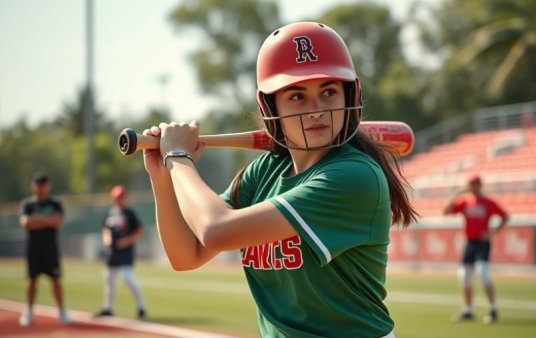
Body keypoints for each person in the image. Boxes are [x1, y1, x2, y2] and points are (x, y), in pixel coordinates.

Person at [140, 21, 417, 337]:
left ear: (349, 95)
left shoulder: (354, 176)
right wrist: (163, 177)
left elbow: (215, 230)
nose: (315, 110)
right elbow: (186, 255)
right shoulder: (266, 171)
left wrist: (179, 159)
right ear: (269, 105)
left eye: (328, 91)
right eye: (297, 96)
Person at [443, 174, 509, 324]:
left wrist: (492, 232)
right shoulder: (466, 202)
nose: (471, 188)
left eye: (473, 185)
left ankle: (493, 309)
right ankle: (468, 310)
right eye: (470, 185)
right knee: (464, 276)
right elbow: (446, 211)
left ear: (479, 186)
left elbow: (504, 216)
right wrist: (457, 193)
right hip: (470, 243)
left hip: (482, 243)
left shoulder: (488, 202)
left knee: (483, 273)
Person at [18, 172, 72, 326]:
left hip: (50, 248)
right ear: (33, 186)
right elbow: (25, 223)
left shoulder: (55, 203)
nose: (41, 188)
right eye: (38, 185)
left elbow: (57, 221)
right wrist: (47, 220)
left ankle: (62, 311)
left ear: (48, 186)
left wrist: (37, 218)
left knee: (55, 279)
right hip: (33, 247)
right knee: (32, 279)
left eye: (43, 185)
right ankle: (28, 311)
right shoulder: (27, 204)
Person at [95, 185, 147, 320]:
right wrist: (106, 238)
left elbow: (140, 230)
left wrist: (127, 241)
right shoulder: (111, 212)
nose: (119, 200)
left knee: (127, 278)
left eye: (121, 197)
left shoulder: (130, 213)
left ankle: (141, 307)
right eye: (117, 197)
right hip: (112, 252)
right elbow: (105, 228)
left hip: (126, 252)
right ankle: (108, 308)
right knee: (109, 278)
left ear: (125, 198)